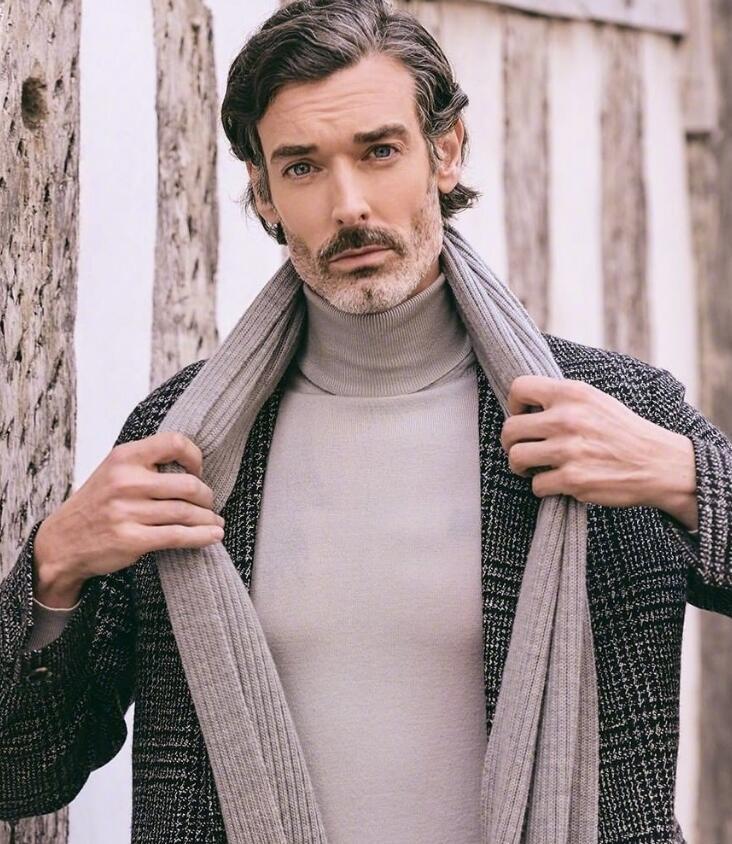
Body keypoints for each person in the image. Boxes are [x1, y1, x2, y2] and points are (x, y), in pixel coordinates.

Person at [0, 1, 729, 842]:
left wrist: (685, 479)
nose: (348, 205)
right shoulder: (185, 441)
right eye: (303, 167)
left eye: (379, 151)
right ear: (265, 194)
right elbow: (24, 771)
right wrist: (55, 568)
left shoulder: (608, 410)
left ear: (444, 153)